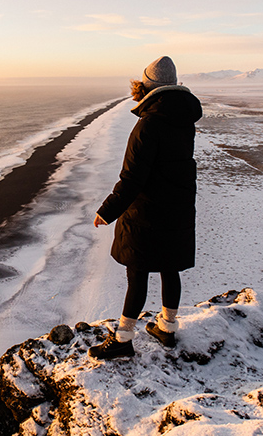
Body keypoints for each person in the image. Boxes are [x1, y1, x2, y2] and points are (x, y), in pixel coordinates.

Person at [89, 56, 202, 359]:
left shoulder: (148, 125)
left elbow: (133, 178)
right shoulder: (183, 121)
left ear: (146, 89)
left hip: (147, 214)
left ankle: (123, 340)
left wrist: (107, 211)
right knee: (169, 268)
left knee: (137, 274)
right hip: (177, 208)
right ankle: (167, 328)